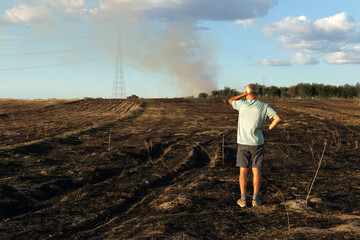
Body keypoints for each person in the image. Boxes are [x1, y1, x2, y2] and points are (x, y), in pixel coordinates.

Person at [228, 84, 282, 207]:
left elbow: (230, 101)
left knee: (243, 172)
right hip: (257, 143)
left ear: (247, 93)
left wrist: (242, 94)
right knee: (256, 171)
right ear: (257, 93)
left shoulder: (241, 104)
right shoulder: (264, 106)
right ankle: (255, 200)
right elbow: (278, 118)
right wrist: (268, 129)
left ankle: (243, 200)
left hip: (243, 143)